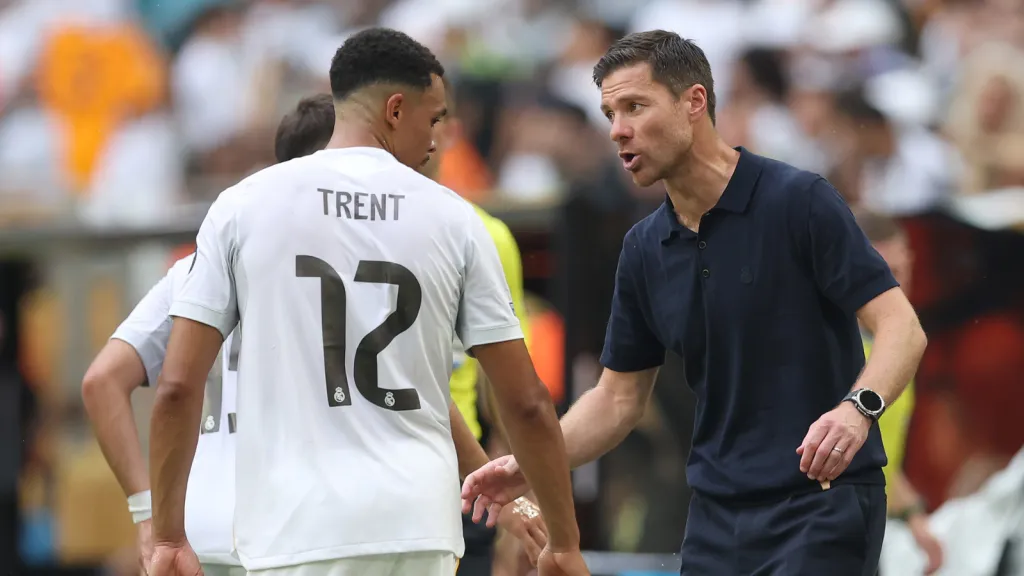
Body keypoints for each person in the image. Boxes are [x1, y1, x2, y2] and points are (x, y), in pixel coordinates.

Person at [463, 30, 928, 576]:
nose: (617, 130)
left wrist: (857, 410)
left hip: (823, 502)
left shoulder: (798, 200)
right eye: (610, 113)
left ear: (694, 102)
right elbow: (616, 399)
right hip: (714, 517)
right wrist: (530, 464)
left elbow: (902, 327)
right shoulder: (643, 248)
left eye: (635, 107)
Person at [147, 27, 587, 576]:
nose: (437, 142)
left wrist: (167, 533)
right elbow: (526, 403)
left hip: (294, 531)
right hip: (419, 526)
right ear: (396, 109)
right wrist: (564, 540)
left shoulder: (242, 207)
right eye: (434, 120)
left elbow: (176, 387)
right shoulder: (456, 219)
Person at [853, 209, 943, 575]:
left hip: (867, 524)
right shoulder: (834, 352)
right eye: (881, 274)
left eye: (900, 272)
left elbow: (881, 456)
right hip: (826, 530)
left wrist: (913, 516)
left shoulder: (900, 348)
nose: (893, 288)